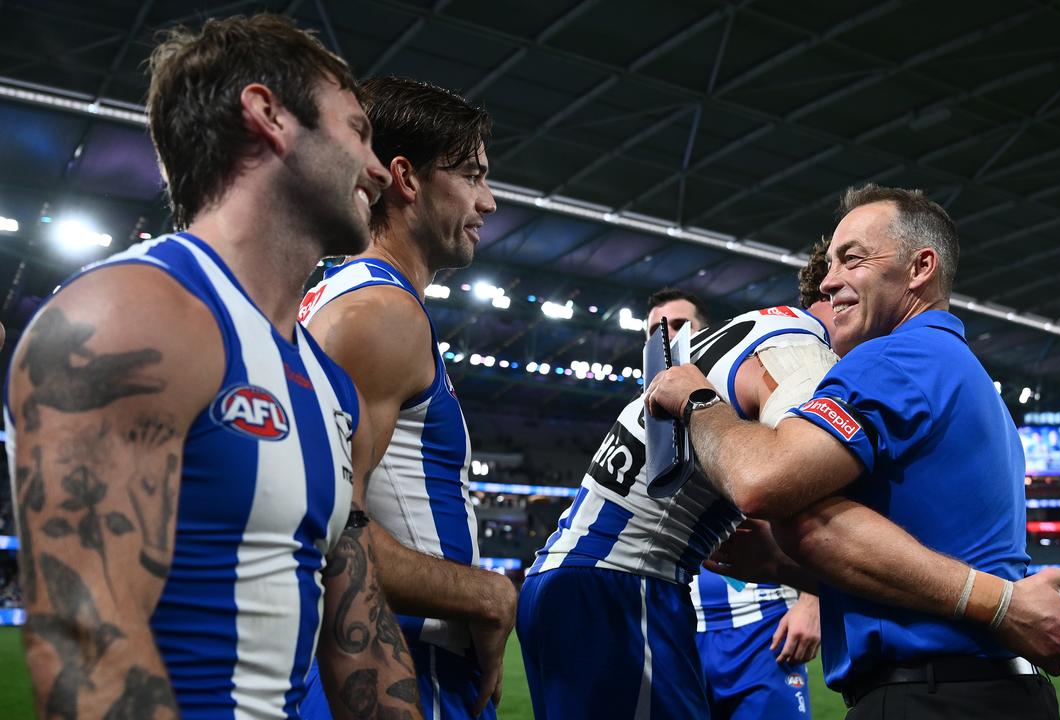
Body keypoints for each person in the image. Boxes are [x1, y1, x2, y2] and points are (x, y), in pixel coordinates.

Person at [4, 14, 423, 719]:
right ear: (268, 116)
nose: (380, 170)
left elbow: (360, 642)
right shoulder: (130, 317)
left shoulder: (330, 386)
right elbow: (88, 653)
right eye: (358, 131)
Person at [647, 184, 1060, 719]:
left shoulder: (893, 358)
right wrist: (784, 566)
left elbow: (763, 481)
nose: (829, 279)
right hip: (994, 691)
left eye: (853, 259)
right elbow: (915, 560)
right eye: (830, 265)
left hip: (929, 696)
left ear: (920, 268)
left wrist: (698, 400)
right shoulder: (954, 365)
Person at [518, 288, 842, 720]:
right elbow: (770, 479)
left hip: (573, 579)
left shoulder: (736, 341)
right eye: (654, 330)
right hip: (626, 587)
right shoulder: (799, 346)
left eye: (675, 327)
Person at [297, 76, 511, 720]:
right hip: (399, 666)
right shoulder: (381, 315)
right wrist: (488, 593)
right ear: (406, 179)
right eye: (472, 174)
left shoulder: (343, 298)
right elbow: (330, 528)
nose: (490, 200)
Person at [647, 287, 822, 720]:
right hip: (683, 630)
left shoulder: (745, 390)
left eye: (675, 326)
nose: (662, 337)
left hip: (761, 624)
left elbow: (810, 488)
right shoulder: (644, 420)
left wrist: (815, 600)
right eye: (653, 330)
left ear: (707, 331)